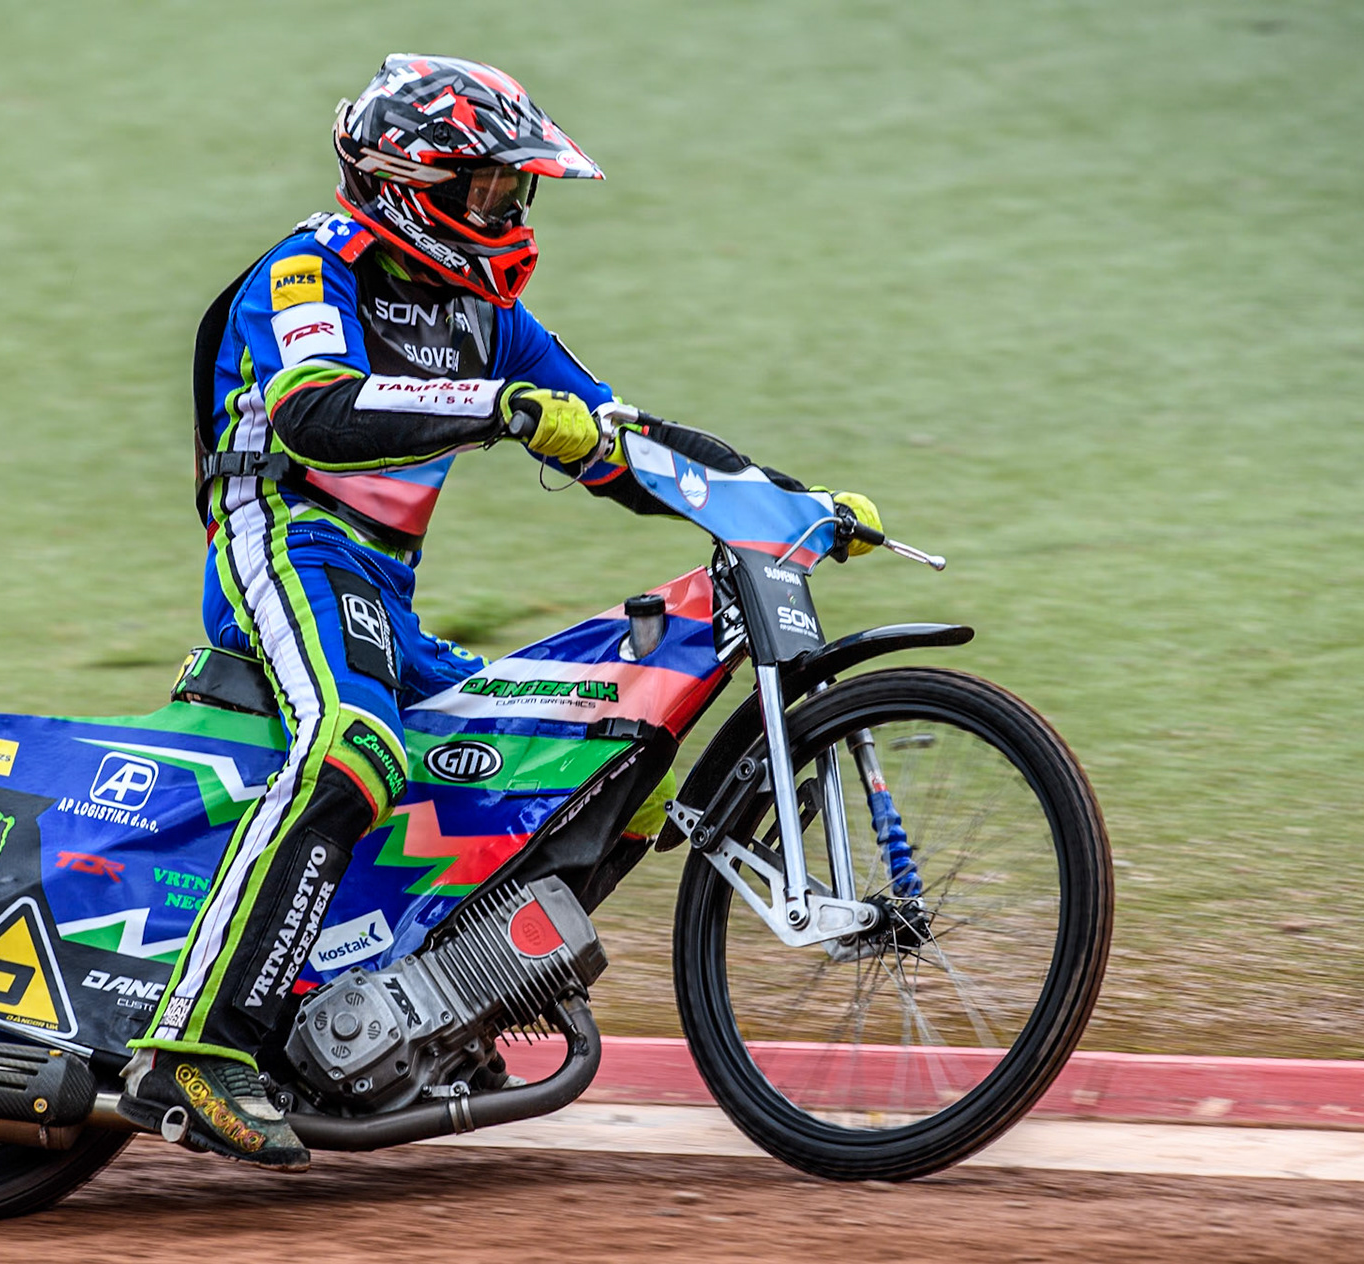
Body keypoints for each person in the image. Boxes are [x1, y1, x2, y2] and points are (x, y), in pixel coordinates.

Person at [120, 53, 884, 1170]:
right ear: (406, 182)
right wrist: (501, 410)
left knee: (588, 746)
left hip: (380, 588)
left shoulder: (491, 316)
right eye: (485, 190)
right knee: (355, 745)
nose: (506, 211)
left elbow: (624, 438)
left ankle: (444, 999)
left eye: (512, 192)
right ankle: (197, 1041)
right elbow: (315, 415)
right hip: (281, 540)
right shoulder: (304, 269)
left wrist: (790, 504)